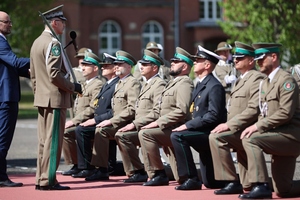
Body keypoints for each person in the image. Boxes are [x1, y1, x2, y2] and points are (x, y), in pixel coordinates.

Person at [238, 43, 300, 199]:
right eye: (257, 60)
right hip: (277, 134)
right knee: (283, 190)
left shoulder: (286, 80)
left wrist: (258, 126)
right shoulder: (265, 83)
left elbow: (285, 113)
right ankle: (265, 186)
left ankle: (261, 186)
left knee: (250, 140)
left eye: (261, 59)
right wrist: (257, 125)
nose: (258, 63)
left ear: (274, 57)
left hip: (291, 136)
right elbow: (264, 111)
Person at [30, 5, 82, 190]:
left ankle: (40, 178)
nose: (64, 27)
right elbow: (54, 74)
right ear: (55, 22)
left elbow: (34, 75)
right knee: (53, 142)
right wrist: (72, 87)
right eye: (63, 23)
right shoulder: (53, 43)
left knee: (44, 141)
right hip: (55, 99)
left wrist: (39, 94)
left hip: (43, 98)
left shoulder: (37, 42)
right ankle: (48, 180)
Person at [209, 42, 265, 195]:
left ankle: (231, 181)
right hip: (238, 127)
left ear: (251, 61)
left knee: (217, 138)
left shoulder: (256, 78)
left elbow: (254, 109)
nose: (235, 60)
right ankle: (240, 182)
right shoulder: (241, 79)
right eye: (235, 57)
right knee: (250, 185)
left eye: (240, 58)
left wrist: (229, 125)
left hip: (248, 128)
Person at [170, 45, 227, 190]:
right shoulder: (201, 84)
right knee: (210, 183)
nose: (194, 62)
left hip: (209, 132)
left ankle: (191, 178)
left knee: (177, 136)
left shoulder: (214, 86)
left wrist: (188, 125)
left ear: (207, 65)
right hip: (201, 129)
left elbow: (214, 115)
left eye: (198, 60)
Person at [138, 47, 194, 186]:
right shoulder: (173, 82)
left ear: (185, 66)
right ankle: (168, 175)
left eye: (176, 62)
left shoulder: (185, 82)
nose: (172, 63)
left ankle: (158, 173)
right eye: (173, 61)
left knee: (145, 134)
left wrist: (158, 123)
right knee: (180, 178)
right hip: (168, 126)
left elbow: (181, 110)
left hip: (176, 127)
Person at [84, 50, 141, 181]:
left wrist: (111, 121)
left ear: (129, 67)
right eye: (116, 64)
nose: (116, 67)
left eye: (120, 64)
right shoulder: (120, 83)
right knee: (99, 129)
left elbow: (132, 109)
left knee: (101, 130)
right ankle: (101, 168)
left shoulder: (132, 83)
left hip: (126, 122)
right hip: (118, 121)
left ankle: (104, 169)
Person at [115, 49, 166, 183]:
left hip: (149, 127)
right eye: (141, 64)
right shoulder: (146, 84)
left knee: (142, 134)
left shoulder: (159, 84)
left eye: (145, 64)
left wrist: (134, 124)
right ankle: (137, 171)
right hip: (141, 126)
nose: (141, 67)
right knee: (121, 135)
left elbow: (157, 112)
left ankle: (156, 173)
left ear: (155, 68)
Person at [71, 53, 120, 178]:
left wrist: (95, 120)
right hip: (101, 120)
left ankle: (89, 167)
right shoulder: (107, 84)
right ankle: (84, 166)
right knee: (80, 129)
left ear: (114, 69)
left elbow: (115, 110)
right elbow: (97, 105)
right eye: (102, 66)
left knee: (82, 130)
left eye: (106, 66)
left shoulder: (116, 84)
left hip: (109, 121)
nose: (102, 68)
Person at [0, 11, 30, 187]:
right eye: (6, 22)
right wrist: (41, 59)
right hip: (5, 98)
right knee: (3, 138)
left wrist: (29, 73)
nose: (10, 24)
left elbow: (10, 67)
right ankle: (2, 176)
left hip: (5, 96)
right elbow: (16, 62)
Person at [61, 51, 103, 175]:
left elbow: (93, 108)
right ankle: (76, 164)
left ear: (95, 68)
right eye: (82, 64)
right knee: (65, 132)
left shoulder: (98, 84)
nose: (82, 67)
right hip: (81, 121)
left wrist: (74, 121)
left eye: (86, 65)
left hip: (89, 121)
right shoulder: (84, 84)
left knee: (71, 131)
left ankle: (86, 165)